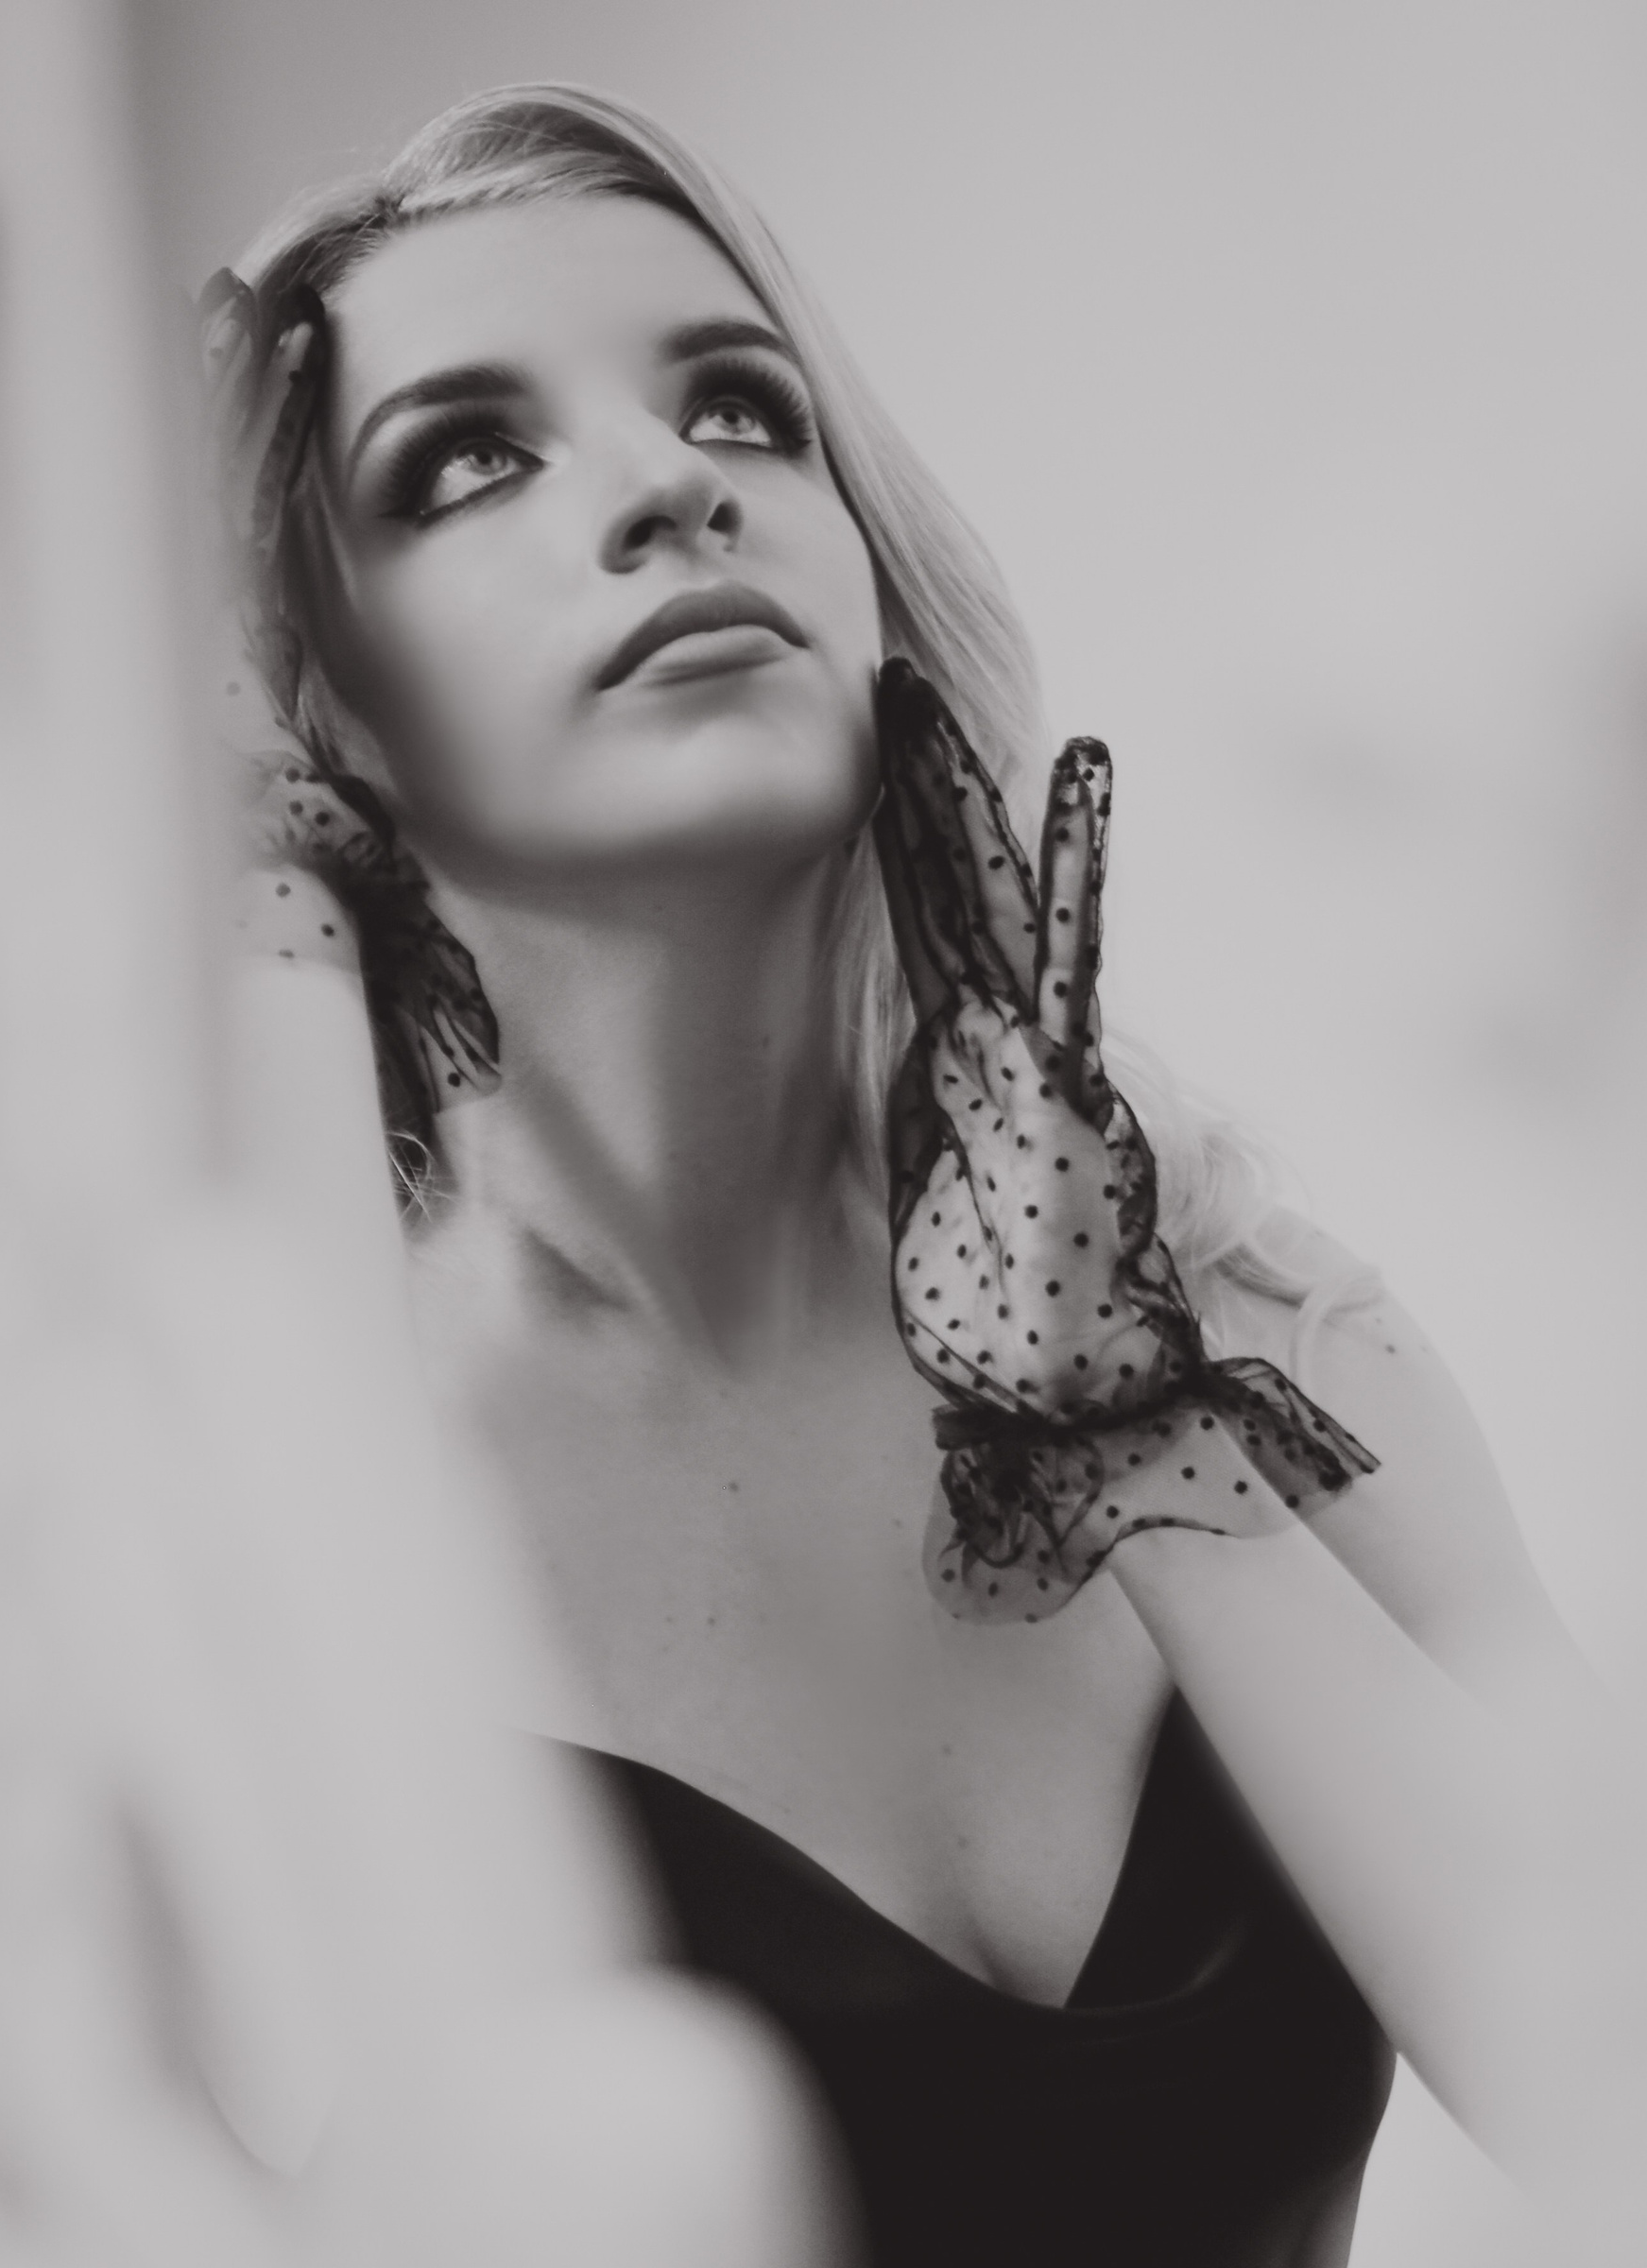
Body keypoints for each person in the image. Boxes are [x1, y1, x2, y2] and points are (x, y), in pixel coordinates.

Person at [201, 83, 1642, 2267]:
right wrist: (265, 997)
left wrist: (1142, 1451)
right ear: (317, 705)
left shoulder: (1254, 1315)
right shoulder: (262, 1448)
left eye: (743, 409)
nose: (672, 482)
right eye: (469, 460)